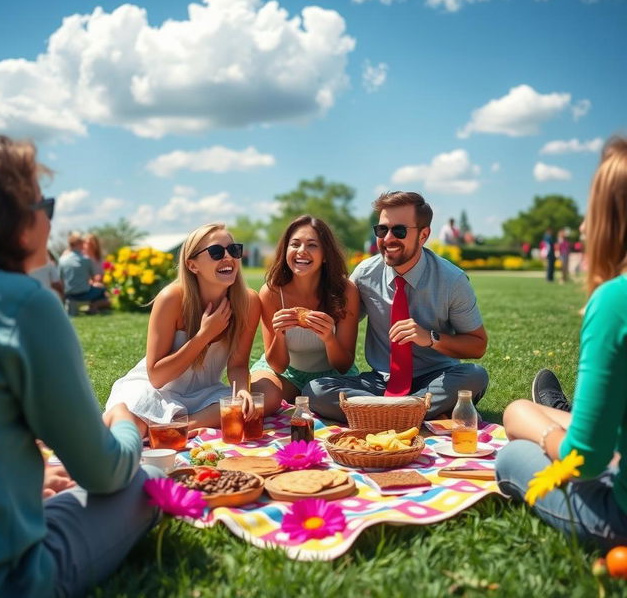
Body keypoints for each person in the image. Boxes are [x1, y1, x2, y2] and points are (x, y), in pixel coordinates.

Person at [0, 135, 159, 597]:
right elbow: (102, 472)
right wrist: (126, 424)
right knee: (151, 479)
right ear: (19, 221)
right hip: (10, 579)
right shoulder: (24, 306)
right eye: (46, 204)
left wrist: (30, 474)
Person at [496, 136, 627, 549]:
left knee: (512, 442)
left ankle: (557, 415)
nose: (585, 228)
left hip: (617, 517)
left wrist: (544, 436)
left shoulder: (615, 300)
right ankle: (562, 412)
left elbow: (584, 462)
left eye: (590, 212)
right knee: (526, 410)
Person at [304, 191, 489, 423]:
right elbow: (340, 320)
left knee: (474, 376)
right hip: (380, 381)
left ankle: (376, 414)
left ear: (423, 235)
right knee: (315, 390)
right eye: (382, 230)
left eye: (399, 231)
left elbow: (477, 345)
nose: (388, 238)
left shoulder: (452, 281)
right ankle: (412, 413)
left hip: (437, 378)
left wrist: (430, 337)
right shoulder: (364, 274)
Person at [104, 223, 283, 434]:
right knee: (132, 422)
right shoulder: (171, 299)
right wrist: (204, 336)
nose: (228, 257)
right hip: (155, 390)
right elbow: (157, 378)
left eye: (234, 250)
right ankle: (162, 426)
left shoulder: (248, 302)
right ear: (192, 265)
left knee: (268, 397)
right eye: (216, 252)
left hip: (204, 394)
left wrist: (242, 390)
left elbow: (238, 364)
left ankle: (180, 427)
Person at [250, 215, 360, 403]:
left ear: (325, 255)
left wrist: (329, 338)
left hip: (332, 377)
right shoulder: (272, 293)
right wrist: (279, 334)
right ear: (285, 250)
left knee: (328, 400)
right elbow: (278, 365)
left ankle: (307, 399)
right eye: (295, 244)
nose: (302, 251)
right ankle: (299, 398)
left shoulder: (346, 291)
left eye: (312, 245)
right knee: (261, 400)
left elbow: (343, 365)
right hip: (284, 375)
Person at [59, 232, 110, 313]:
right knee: (102, 290)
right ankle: (94, 307)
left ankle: (87, 307)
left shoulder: (62, 259)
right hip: (84, 294)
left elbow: (60, 279)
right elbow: (94, 277)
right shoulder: (86, 259)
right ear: (79, 244)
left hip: (69, 295)